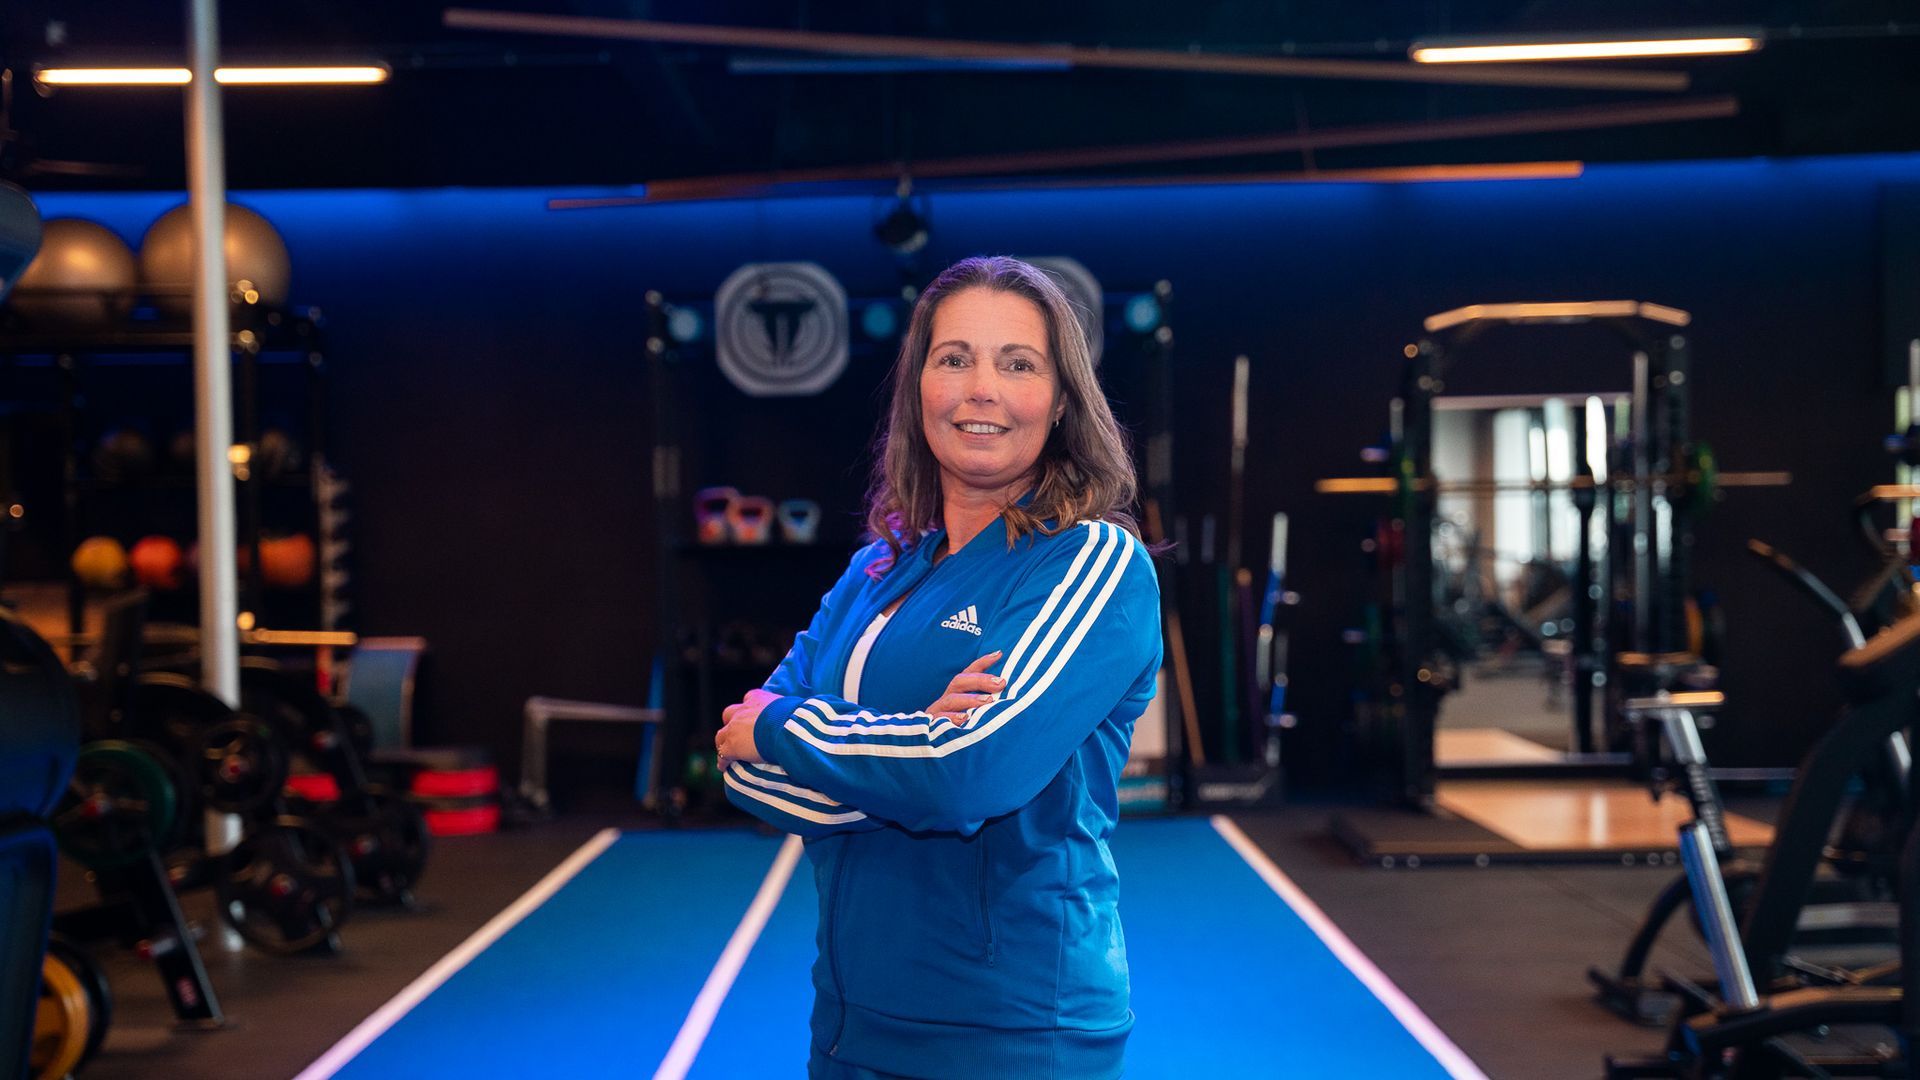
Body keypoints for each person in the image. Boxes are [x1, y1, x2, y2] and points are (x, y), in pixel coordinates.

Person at [713, 255, 1162, 1079]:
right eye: (953, 358)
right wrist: (911, 749)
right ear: (918, 386)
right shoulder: (876, 572)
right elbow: (740, 773)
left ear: (1061, 400)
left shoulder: (1090, 563)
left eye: (1016, 364)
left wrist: (783, 728)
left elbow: (970, 776)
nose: (980, 388)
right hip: (850, 1025)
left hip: (1013, 1035)